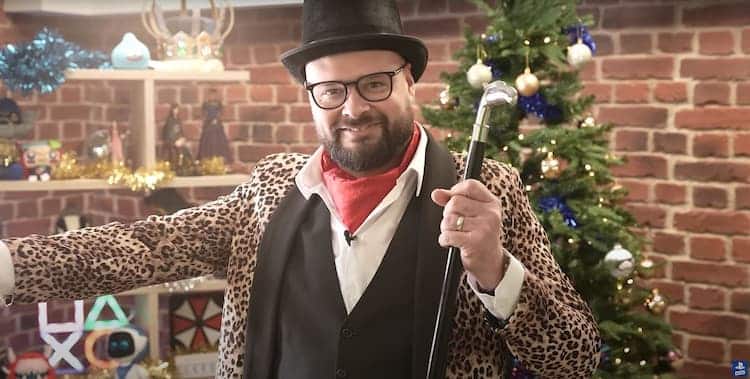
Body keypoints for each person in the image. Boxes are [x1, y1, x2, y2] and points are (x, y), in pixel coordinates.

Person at [0, 0, 600, 377]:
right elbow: (145, 247)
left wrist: (495, 268)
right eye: (330, 90)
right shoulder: (269, 189)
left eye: (373, 84)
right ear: (310, 95)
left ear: (410, 80)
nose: (352, 108)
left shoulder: (486, 189)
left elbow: (574, 358)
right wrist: (6, 266)